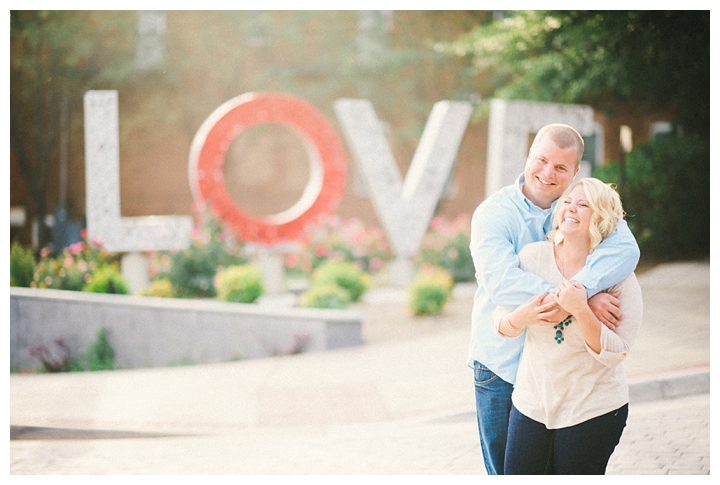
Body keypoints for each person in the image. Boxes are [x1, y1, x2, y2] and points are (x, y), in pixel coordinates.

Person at [468, 123, 640, 475]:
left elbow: (626, 248)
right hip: (502, 366)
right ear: (529, 156)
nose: (548, 173)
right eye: (542, 160)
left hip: (561, 376)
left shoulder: (581, 203)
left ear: (575, 171)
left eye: (560, 167)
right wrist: (580, 302)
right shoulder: (494, 214)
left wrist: (581, 293)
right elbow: (503, 285)